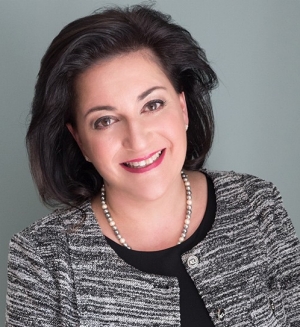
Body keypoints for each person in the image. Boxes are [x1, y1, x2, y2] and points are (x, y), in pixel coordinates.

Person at [6, 4, 300, 327]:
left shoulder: (257, 205)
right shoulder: (42, 258)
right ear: (80, 141)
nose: (138, 139)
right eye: (105, 120)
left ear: (183, 108)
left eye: (153, 104)